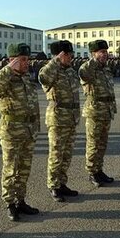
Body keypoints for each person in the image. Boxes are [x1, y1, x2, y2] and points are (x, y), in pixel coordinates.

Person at [0, 43, 40, 221]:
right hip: (11, 132)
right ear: (12, 60)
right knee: (10, 169)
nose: (27, 63)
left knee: (24, 169)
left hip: (28, 131)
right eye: (23, 60)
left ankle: (21, 200)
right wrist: (9, 69)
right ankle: (10, 204)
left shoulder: (26, 77)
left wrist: (36, 128)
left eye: (27, 59)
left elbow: (33, 105)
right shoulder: (2, 77)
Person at [38, 40, 80, 202]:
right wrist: (55, 61)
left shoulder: (69, 71)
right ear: (60, 55)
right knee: (56, 154)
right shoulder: (49, 70)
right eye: (68, 55)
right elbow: (43, 78)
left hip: (70, 117)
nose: (71, 57)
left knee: (66, 154)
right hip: (57, 118)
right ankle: (54, 185)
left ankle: (62, 183)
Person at [78, 40, 117, 187]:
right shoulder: (88, 68)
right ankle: (92, 172)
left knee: (102, 143)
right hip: (94, 111)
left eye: (106, 52)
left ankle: (99, 170)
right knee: (93, 144)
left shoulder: (105, 69)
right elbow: (83, 73)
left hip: (106, 110)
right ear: (94, 53)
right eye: (102, 52)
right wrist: (94, 61)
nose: (105, 54)